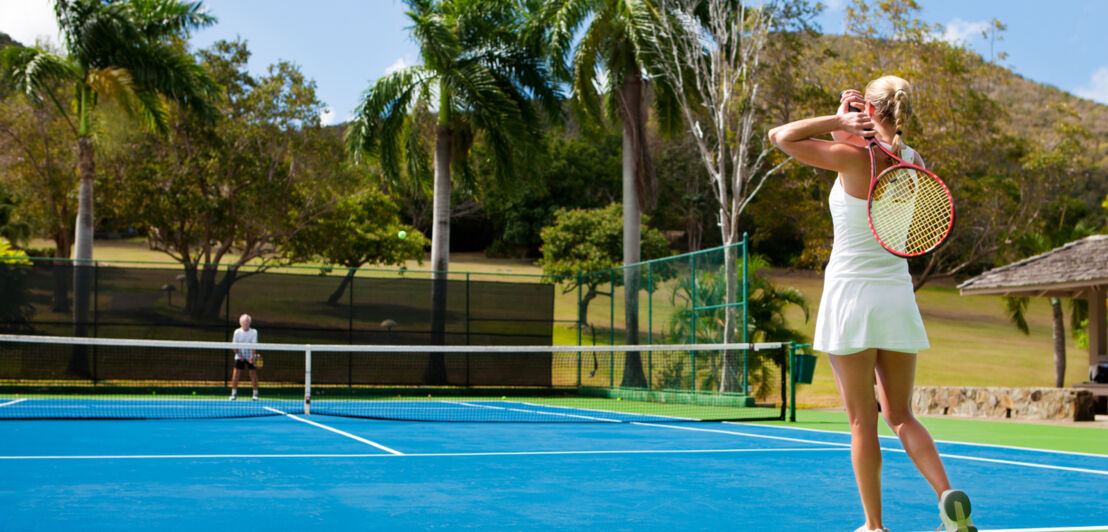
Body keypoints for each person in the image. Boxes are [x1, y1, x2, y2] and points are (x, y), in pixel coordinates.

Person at [767, 76, 976, 532]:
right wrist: (850, 120)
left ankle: (874, 526)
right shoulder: (912, 161)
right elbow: (872, 149)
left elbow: (780, 136)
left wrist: (836, 119)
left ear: (870, 109)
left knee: (863, 422)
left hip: (850, 299)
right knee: (900, 415)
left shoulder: (849, 157)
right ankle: (946, 495)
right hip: (896, 298)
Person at [229, 313, 259, 401]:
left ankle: (255, 394)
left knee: (253, 374)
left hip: (250, 356)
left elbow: (254, 346)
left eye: (247, 322)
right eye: (244, 322)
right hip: (239, 356)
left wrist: (252, 356)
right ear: (241, 323)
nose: (246, 323)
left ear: (249, 323)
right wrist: (239, 355)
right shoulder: (237, 332)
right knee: (236, 374)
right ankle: (233, 393)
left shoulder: (254, 332)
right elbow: (234, 346)